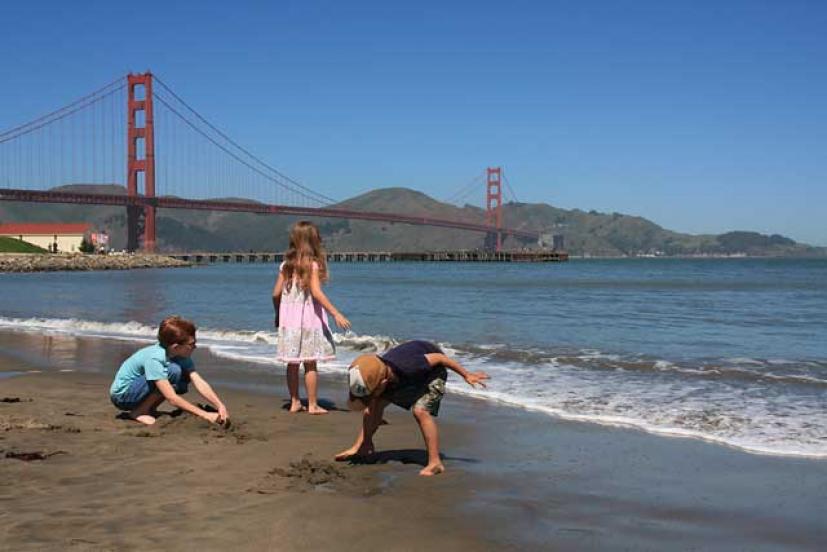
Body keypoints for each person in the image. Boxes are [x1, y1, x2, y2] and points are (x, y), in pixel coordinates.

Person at [335, 340, 489, 476]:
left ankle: (435, 462)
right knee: (373, 407)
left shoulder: (409, 365)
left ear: (382, 384)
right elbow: (371, 406)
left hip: (433, 372)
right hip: (401, 378)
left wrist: (467, 375)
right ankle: (364, 445)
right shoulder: (376, 373)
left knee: (420, 411)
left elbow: (441, 358)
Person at [273, 221, 351, 414]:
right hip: (309, 321)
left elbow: (275, 294)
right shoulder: (312, 265)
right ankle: (313, 404)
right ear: (313, 242)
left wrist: (278, 314)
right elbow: (316, 293)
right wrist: (335, 313)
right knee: (310, 362)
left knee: (292, 363)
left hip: (289, 322)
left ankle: (294, 402)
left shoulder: (285, 266)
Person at [109, 316, 229, 426]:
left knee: (180, 374)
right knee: (173, 370)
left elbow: (198, 381)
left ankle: (149, 408)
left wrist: (220, 405)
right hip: (123, 396)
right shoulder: (155, 358)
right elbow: (171, 398)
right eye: (191, 344)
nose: (195, 347)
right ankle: (139, 412)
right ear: (176, 347)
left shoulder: (180, 356)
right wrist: (205, 415)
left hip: (139, 390)